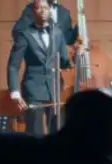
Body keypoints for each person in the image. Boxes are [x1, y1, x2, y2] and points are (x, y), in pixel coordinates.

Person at [7, 0, 71, 136]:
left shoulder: (58, 33)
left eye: (45, 7)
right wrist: (15, 93)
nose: (43, 11)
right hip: (33, 90)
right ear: (32, 11)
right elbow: (13, 65)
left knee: (58, 134)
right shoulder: (25, 34)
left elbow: (64, 62)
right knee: (35, 133)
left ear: (50, 10)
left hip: (55, 89)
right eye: (38, 8)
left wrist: (76, 56)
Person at [11, 0, 78, 46]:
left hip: (59, 60)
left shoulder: (63, 12)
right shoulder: (31, 10)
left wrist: (78, 29)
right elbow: (18, 32)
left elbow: (68, 38)